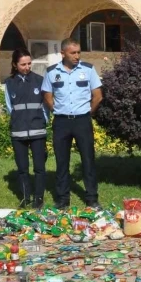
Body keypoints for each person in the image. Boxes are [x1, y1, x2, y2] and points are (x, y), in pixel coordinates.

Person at [42, 38, 103, 209]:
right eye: (73, 53)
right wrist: (56, 109)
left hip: (82, 120)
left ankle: (92, 199)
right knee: (62, 162)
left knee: (88, 160)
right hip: (61, 122)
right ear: (63, 53)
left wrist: (87, 112)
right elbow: (47, 94)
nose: (77, 56)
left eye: (78, 52)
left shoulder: (88, 70)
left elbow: (98, 95)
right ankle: (62, 199)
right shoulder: (52, 72)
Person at [4, 48, 48, 209]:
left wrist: (43, 122)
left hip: (38, 131)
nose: (27, 67)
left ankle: (38, 198)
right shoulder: (9, 83)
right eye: (23, 64)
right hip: (18, 131)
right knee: (22, 168)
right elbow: (10, 107)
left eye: (29, 63)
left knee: (39, 168)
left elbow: (45, 107)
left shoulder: (40, 80)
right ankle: (25, 197)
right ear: (15, 65)